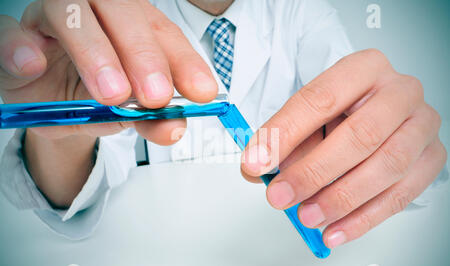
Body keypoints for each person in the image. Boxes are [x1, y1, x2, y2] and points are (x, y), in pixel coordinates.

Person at [0, 0, 447, 248]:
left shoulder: (302, 13)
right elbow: (79, 194)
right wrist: (60, 127)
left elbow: (369, 126)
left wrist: (395, 141)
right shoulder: (111, 15)